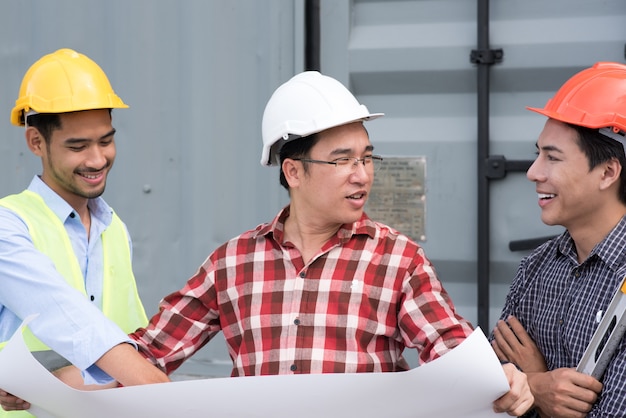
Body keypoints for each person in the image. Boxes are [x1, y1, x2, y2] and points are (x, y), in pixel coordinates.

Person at [2, 70, 532, 416]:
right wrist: (46, 389)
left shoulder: (396, 259)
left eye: (367, 157)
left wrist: (500, 377)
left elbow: (452, 351)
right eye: (342, 159)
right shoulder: (234, 263)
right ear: (293, 171)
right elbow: (150, 354)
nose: (362, 175)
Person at [0, 48, 169, 417]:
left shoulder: (114, 228)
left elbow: (130, 334)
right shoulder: (7, 227)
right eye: (77, 146)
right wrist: (162, 393)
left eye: (105, 141)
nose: (96, 159)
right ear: (36, 142)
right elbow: (67, 317)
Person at [490, 62, 626, 418]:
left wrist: (531, 379)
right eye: (538, 154)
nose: (534, 172)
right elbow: (493, 393)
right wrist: (538, 386)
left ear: (608, 172)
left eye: (552, 157)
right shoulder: (536, 268)